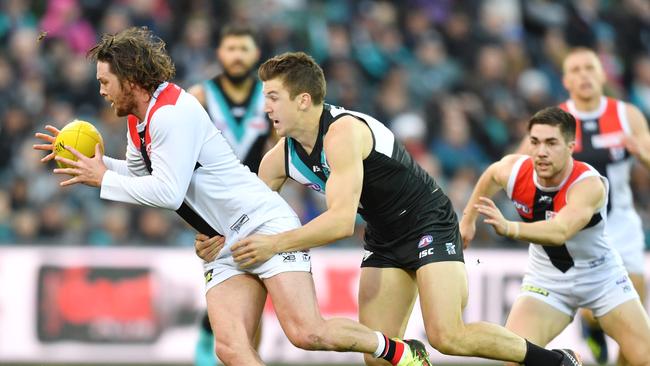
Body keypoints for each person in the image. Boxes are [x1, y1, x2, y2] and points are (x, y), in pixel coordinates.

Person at [32, 27, 434, 366]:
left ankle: (399, 351)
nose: (101, 91)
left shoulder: (172, 112)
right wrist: (97, 168)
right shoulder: (141, 120)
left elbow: (168, 192)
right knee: (230, 348)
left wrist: (102, 179)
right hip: (223, 240)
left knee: (308, 334)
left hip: (262, 222)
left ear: (130, 78)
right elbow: (142, 178)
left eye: (105, 81)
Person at [195, 51, 583, 366]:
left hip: (428, 222)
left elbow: (341, 222)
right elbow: (245, 216)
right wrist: (214, 235)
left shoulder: (343, 132)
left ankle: (555, 362)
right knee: (379, 356)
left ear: (303, 100)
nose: (266, 108)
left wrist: (273, 244)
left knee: (447, 336)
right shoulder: (278, 160)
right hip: (383, 237)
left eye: (273, 97)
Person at [461, 106, 650, 366]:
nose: (541, 152)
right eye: (535, 142)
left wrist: (510, 228)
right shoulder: (515, 170)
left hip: (601, 279)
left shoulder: (587, 185)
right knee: (512, 360)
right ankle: (567, 355)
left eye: (551, 143)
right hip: (547, 282)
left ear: (571, 146)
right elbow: (491, 175)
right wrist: (467, 220)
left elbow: (560, 231)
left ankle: (590, 325)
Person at [518, 47, 650, 365]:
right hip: (576, 229)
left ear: (602, 75)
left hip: (620, 223)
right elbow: (518, 165)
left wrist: (642, 153)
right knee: (595, 312)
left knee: (635, 328)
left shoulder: (625, 114)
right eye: (575, 70)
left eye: (589, 68)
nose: (584, 75)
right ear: (565, 80)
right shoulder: (555, 121)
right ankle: (591, 326)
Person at [187, 24, 271, 366]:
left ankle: (247, 356)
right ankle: (212, 337)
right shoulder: (199, 97)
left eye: (244, 48)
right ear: (220, 53)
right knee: (224, 286)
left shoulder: (269, 96)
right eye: (231, 48)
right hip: (214, 209)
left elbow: (280, 149)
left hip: (256, 204)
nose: (237, 55)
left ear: (256, 54)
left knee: (257, 289)